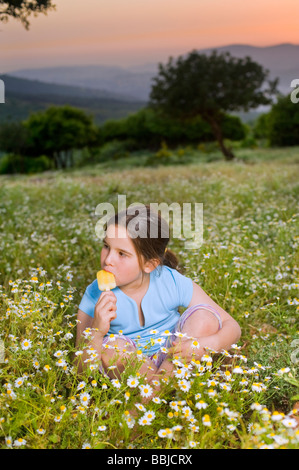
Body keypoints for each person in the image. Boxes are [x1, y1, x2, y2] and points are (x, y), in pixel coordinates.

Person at [75, 205, 241, 382]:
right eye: (106, 246)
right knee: (112, 350)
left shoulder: (169, 281)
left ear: (150, 264)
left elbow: (232, 326)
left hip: (174, 358)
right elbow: (80, 371)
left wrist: (208, 345)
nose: (108, 260)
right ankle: (162, 391)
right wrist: (97, 331)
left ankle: (154, 392)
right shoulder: (94, 294)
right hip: (133, 370)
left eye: (122, 254)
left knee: (205, 317)